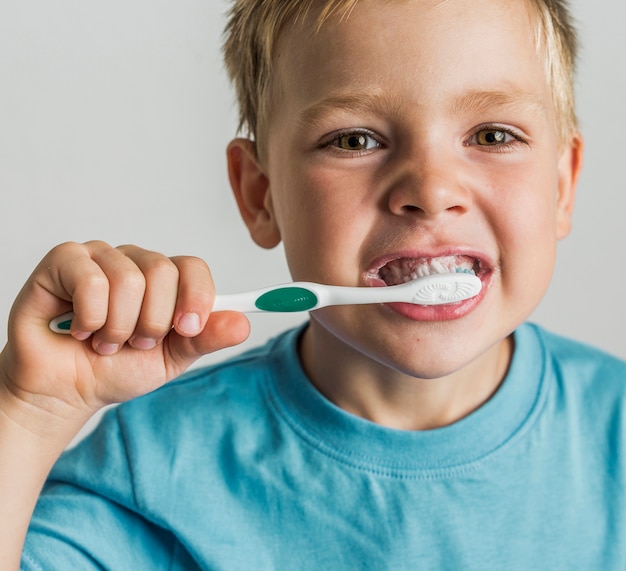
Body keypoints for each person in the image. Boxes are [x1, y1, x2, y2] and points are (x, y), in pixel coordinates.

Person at [2, 0, 624, 568]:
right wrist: (29, 413)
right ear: (260, 194)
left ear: (563, 185)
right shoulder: (153, 472)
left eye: (493, 136)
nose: (432, 192)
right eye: (355, 140)